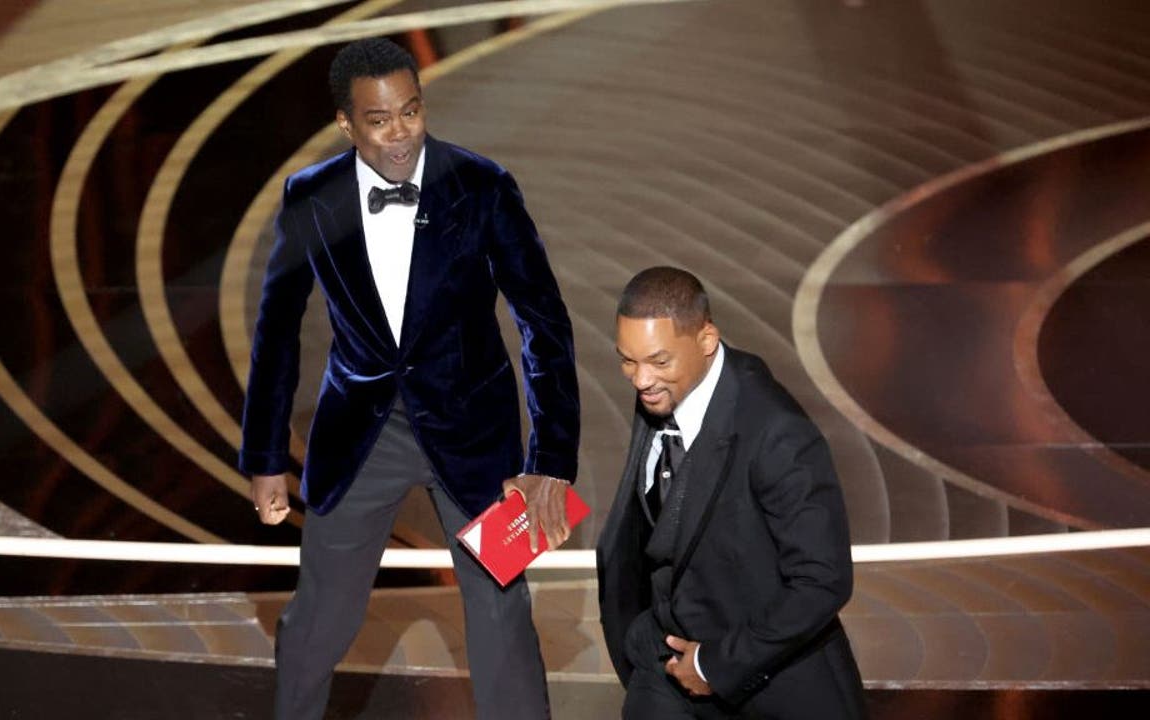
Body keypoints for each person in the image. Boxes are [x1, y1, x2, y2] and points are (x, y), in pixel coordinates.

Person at [239, 38, 581, 720]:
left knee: (501, 616)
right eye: (379, 119)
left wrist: (549, 459)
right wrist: (266, 456)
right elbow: (276, 331)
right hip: (361, 434)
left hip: (475, 432)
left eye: (411, 111)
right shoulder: (311, 196)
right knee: (322, 615)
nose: (400, 132)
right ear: (346, 123)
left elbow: (544, 322)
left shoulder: (483, 185)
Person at [596, 267, 866, 719]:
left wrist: (714, 664)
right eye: (628, 360)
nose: (640, 379)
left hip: (765, 678)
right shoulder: (666, 389)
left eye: (658, 361)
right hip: (664, 658)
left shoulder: (777, 432)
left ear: (706, 340)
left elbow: (823, 579)